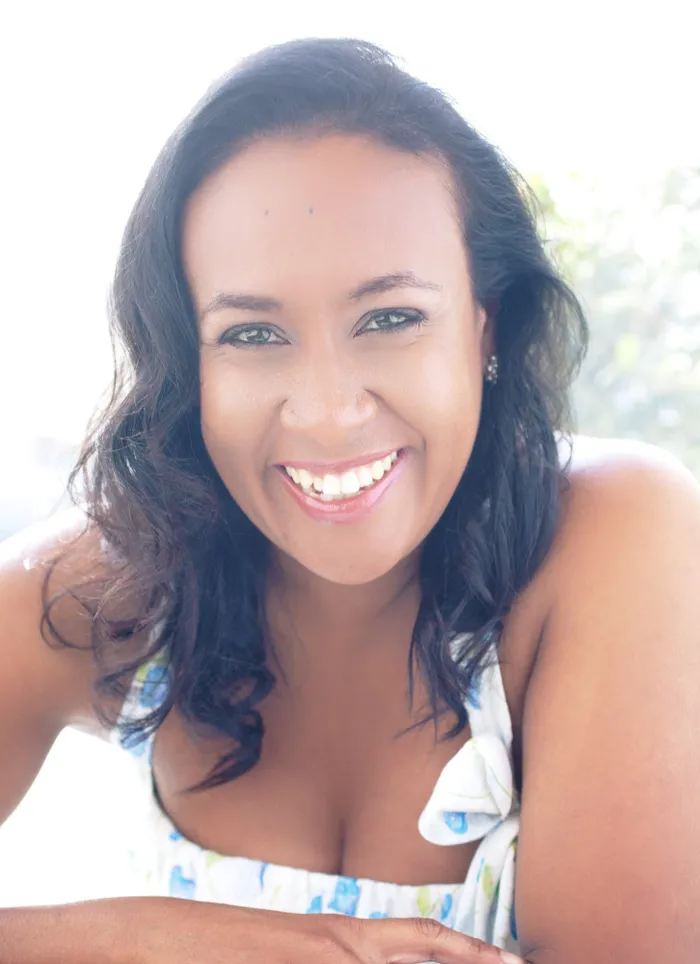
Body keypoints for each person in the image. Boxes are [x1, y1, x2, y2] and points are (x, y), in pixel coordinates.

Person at [0, 37, 698, 964]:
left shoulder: (617, 536)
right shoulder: (109, 588)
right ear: (185, 364)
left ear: (484, 328)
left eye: (391, 318)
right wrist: (153, 939)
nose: (328, 414)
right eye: (251, 334)